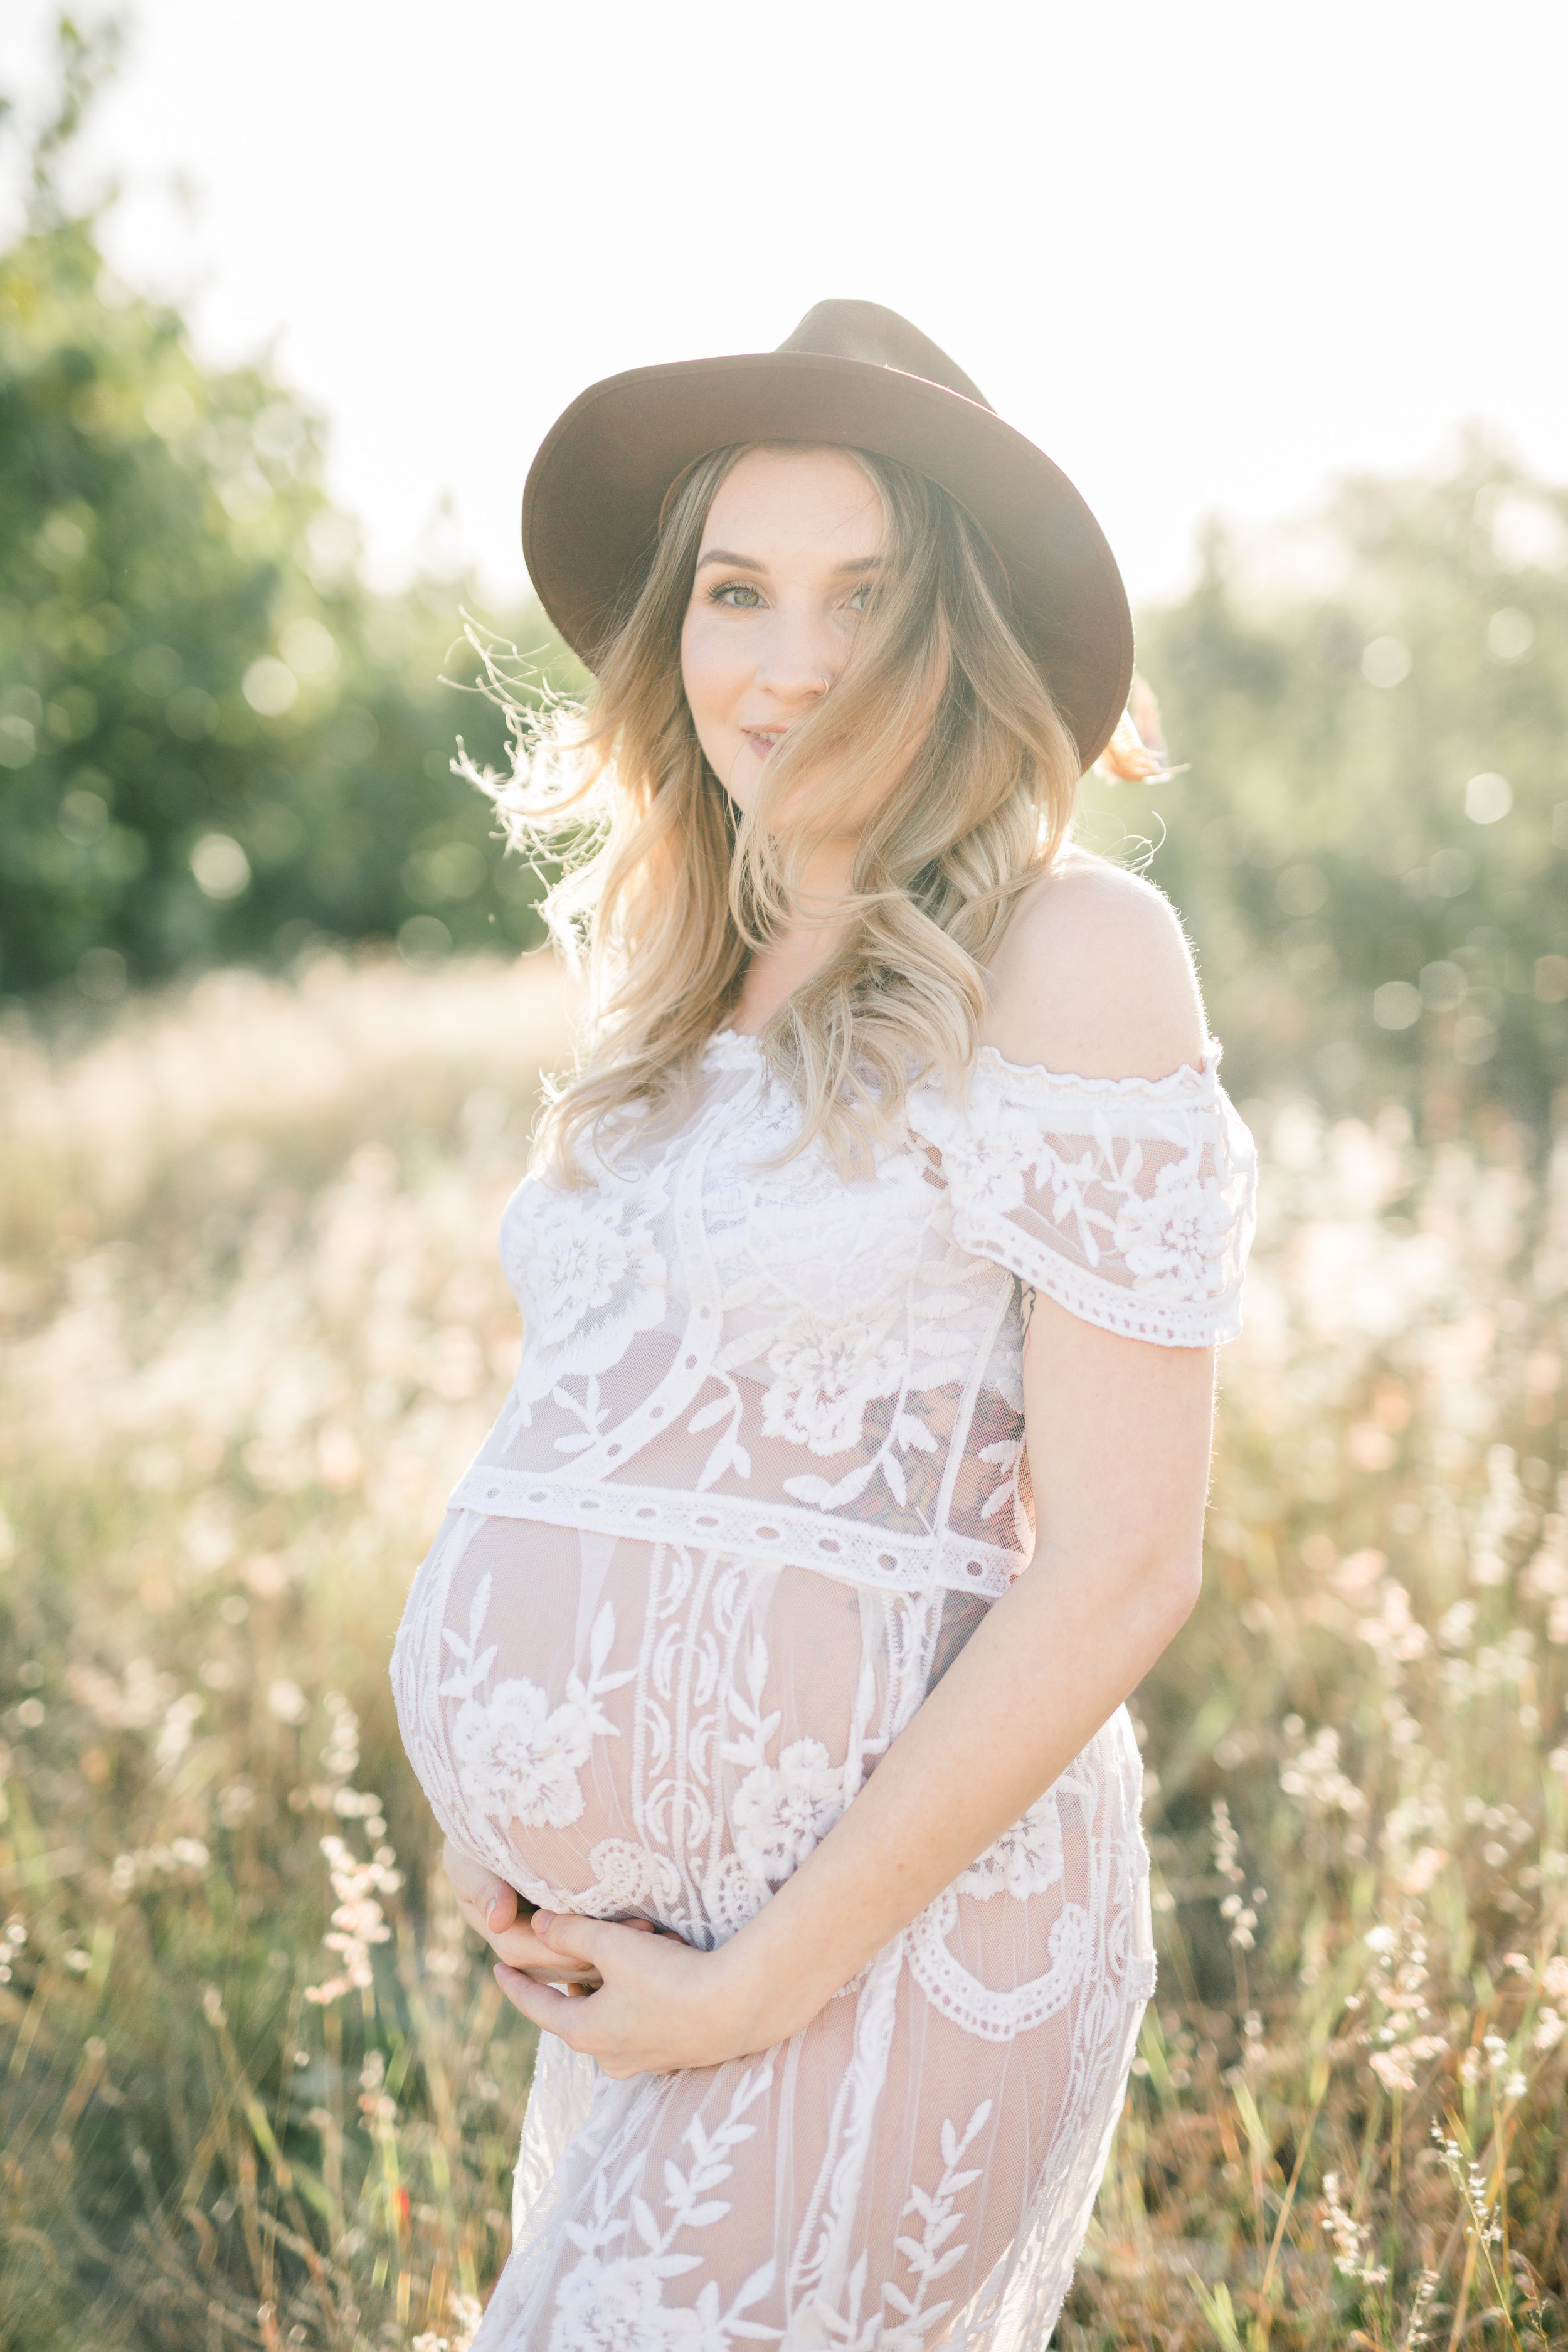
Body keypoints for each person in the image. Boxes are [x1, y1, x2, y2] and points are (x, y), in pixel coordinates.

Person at [391, 300, 1258, 2349]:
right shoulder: (680, 984)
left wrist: (760, 1981)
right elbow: (600, 1444)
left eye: (859, 600)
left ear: (952, 634)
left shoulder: (1068, 949)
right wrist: (504, 1811)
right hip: (657, 1960)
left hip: (879, 1954)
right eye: (736, 591)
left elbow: (1129, 1561)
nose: (783, 664)